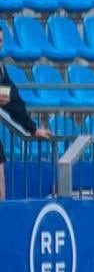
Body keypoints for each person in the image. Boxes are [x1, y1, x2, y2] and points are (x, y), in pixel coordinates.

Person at [0, 24, 52, 201]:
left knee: (2, 195)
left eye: (0, 41)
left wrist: (32, 128)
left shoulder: (0, 69)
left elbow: (13, 100)